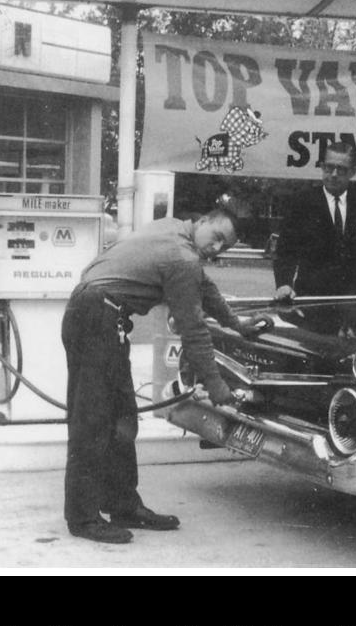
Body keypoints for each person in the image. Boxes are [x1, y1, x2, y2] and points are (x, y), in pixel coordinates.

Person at [61, 207, 251, 544]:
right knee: (92, 421)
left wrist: (236, 324)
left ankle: (123, 505)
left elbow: (204, 288)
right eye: (217, 237)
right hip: (97, 317)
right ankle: (83, 517)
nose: (217, 248)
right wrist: (218, 386)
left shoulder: (173, 228)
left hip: (96, 313)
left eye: (226, 246)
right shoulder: (182, 257)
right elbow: (194, 330)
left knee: (122, 419)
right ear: (203, 221)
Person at [273, 142, 356, 301]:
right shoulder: (301, 203)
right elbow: (285, 251)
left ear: (353, 172)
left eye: (341, 169)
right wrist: (284, 284)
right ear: (322, 167)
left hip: (355, 302)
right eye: (328, 167)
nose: (333, 174)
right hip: (310, 301)